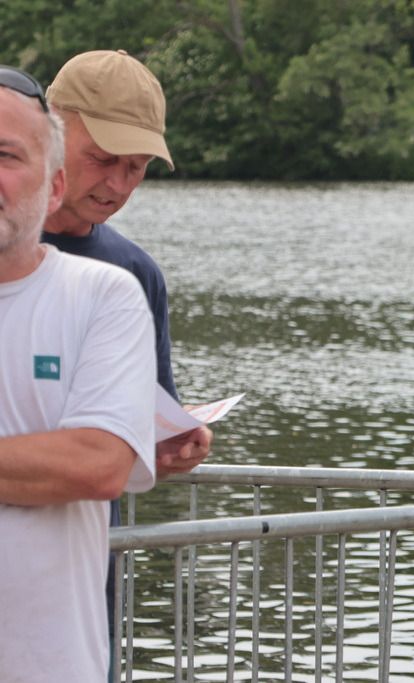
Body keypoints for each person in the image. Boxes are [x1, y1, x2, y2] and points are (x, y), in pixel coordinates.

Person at [42, 49, 213, 668]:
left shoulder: (136, 273)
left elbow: (139, 432)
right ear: (51, 129)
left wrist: (172, 447)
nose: (117, 185)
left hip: (86, 581)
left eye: (135, 167)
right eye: (102, 159)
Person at [0, 65, 156, 682]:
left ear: (52, 180)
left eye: (7, 156)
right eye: (105, 159)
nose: (117, 184)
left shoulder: (114, 287)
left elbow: (99, 462)